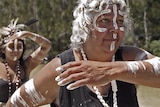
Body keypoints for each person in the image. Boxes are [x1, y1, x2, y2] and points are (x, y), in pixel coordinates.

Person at [5, 0, 159, 106]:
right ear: (85, 25)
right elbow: (16, 103)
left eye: (119, 21)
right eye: (105, 20)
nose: (115, 28)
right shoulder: (62, 69)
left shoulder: (129, 57)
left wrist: (112, 71)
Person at [0, 18, 51, 106]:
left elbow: (46, 46)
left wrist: (29, 35)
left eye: (19, 47)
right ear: (3, 50)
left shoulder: (26, 66)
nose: (15, 50)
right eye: (11, 47)